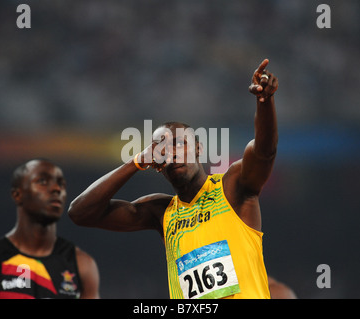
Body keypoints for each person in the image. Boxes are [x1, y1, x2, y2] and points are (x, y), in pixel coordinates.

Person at [68, 59, 278, 299]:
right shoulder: (161, 211)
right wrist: (135, 162)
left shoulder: (232, 187)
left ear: (198, 149)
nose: (173, 152)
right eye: (163, 149)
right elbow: (80, 213)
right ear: (157, 165)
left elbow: (264, 151)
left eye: (180, 143)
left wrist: (265, 101)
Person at [0, 159, 100, 299]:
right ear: (17, 195)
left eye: (61, 184)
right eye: (42, 181)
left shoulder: (82, 264)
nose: (56, 189)